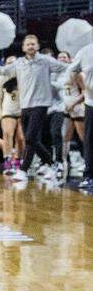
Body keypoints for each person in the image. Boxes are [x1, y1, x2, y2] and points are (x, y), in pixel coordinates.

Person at [0, 35, 69, 182]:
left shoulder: (46, 61)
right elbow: (1, 70)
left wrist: (82, 65)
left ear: (37, 46)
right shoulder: (19, 63)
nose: (30, 46)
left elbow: (66, 67)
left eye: (33, 44)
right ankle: (52, 163)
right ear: (23, 47)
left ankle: (23, 170)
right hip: (25, 105)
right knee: (33, 139)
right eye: (28, 44)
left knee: (28, 138)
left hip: (41, 104)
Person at [65, 44, 93, 188]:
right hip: (91, 102)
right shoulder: (85, 51)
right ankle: (89, 176)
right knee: (88, 140)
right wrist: (84, 85)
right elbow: (72, 70)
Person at [0, 55, 23, 174]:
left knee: (21, 137)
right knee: (7, 134)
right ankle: (8, 160)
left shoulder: (24, 75)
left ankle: (18, 160)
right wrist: (0, 112)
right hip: (8, 110)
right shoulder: (1, 77)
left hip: (22, 109)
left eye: (13, 63)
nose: (11, 65)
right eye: (9, 62)